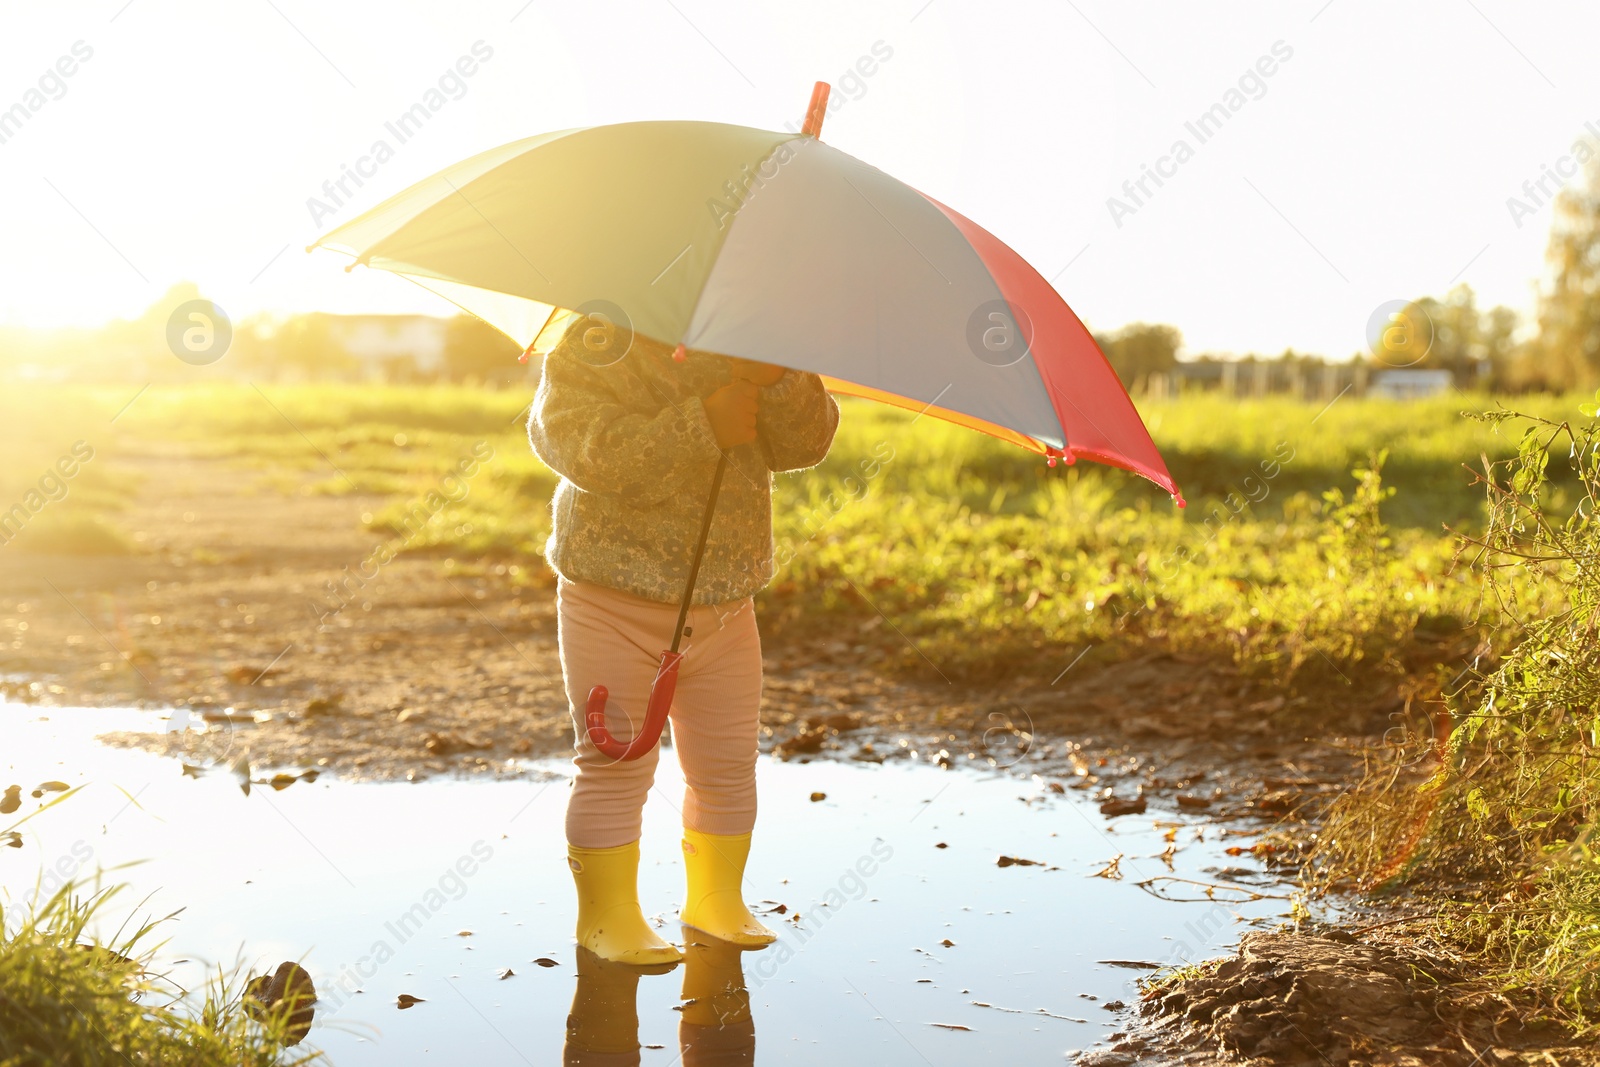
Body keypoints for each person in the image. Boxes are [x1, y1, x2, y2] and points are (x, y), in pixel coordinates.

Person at [528, 313, 839, 966]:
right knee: (616, 761)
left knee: (727, 766)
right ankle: (607, 916)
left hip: (726, 603)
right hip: (612, 597)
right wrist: (703, 422)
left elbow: (807, 442)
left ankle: (716, 898)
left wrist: (777, 382)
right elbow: (579, 445)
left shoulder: (759, 336)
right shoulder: (599, 339)